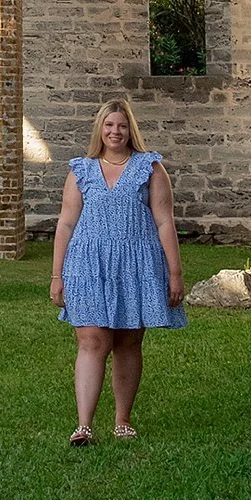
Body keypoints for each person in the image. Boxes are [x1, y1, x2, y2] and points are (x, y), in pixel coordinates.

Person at [49, 95, 187, 444]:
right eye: (109, 125)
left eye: (122, 126)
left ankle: (122, 420)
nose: (115, 131)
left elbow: (164, 222)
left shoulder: (150, 168)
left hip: (137, 264)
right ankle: (83, 426)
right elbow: (65, 224)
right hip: (88, 264)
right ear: (100, 129)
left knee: (128, 341)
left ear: (130, 130)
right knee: (92, 341)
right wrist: (56, 275)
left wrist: (175, 273)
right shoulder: (81, 169)